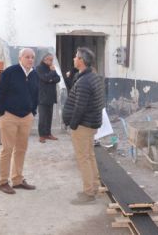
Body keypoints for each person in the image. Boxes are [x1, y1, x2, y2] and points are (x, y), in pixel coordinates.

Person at [63, 47, 105, 205]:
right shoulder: (91, 76)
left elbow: (80, 107)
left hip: (83, 125)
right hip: (90, 123)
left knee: (83, 158)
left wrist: (72, 125)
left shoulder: (85, 81)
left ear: (81, 60)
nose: (73, 59)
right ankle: (94, 186)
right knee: (89, 155)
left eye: (75, 57)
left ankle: (88, 193)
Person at [0, 48, 39, 194]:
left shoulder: (34, 75)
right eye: (27, 57)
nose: (30, 59)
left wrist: (32, 112)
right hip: (9, 116)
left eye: (32, 57)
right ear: (20, 58)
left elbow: (36, 94)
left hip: (26, 117)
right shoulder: (10, 72)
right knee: (7, 149)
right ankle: (3, 182)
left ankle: (17, 180)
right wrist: (2, 112)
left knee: (21, 149)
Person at [36, 53, 61, 143]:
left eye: (52, 60)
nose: (51, 62)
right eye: (50, 60)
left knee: (49, 117)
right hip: (42, 96)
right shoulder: (39, 68)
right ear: (44, 60)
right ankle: (42, 135)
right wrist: (51, 74)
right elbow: (44, 78)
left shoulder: (51, 68)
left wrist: (51, 77)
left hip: (51, 96)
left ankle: (48, 134)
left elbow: (58, 79)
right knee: (42, 117)